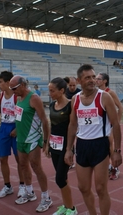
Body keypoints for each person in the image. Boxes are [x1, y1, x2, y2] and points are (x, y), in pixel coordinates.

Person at [64, 64, 122, 215]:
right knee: (83, 187)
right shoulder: (75, 99)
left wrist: (117, 150)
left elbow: (115, 124)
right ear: (78, 80)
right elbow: (72, 125)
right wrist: (69, 149)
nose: (92, 80)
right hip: (82, 145)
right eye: (87, 77)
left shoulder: (104, 97)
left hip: (100, 144)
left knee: (101, 188)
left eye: (93, 77)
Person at [10, 75, 52, 212]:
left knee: (36, 167)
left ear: (22, 85)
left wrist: (46, 141)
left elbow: (44, 121)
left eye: (14, 88)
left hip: (33, 138)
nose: (12, 91)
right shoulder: (18, 98)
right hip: (20, 138)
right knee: (22, 165)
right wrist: (17, 129)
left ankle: (46, 197)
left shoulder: (34, 98)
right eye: (11, 89)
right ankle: (29, 192)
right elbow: (21, 116)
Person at [0, 71, 25, 199]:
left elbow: (21, 114)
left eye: (0, 82)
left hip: (15, 128)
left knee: (19, 159)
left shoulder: (16, 97)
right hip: (4, 128)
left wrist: (17, 128)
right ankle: (7, 186)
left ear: (7, 83)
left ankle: (22, 185)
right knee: (2, 159)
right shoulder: (0, 96)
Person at [48, 77, 77, 215]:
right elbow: (51, 126)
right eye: (49, 90)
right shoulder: (52, 105)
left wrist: (69, 149)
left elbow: (73, 127)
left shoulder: (71, 105)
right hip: (54, 146)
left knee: (59, 178)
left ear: (61, 90)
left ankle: (72, 208)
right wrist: (47, 144)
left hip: (66, 147)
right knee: (62, 178)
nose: (50, 93)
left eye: (52, 91)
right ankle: (66, 206)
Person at [96, 72, 123, 180]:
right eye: (96, 78)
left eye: (98, 79)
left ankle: (115, 168)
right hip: (100, 126)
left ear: (105, 81)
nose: (96, 80)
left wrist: (116, 123)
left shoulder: (110, 93)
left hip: (110, 125)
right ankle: (108, 167)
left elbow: (120, 107)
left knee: (109, 146)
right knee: (103, 147)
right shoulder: (96, 93)